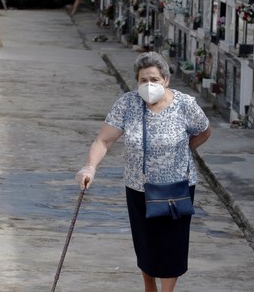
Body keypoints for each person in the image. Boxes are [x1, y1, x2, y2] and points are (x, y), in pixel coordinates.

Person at [76, 51, 211, 292]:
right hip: (139, 186)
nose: (149, 85)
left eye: (154, 79)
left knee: (173, 244)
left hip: (177, 187)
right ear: (136, 82)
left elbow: (204, 131)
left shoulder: (185, 105)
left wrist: (182, 149)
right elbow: (103, 141)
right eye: (143, 80)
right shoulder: (127, 104)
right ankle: (149, 287)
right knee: (146, 243)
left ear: (166, 80)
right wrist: (90, 167)